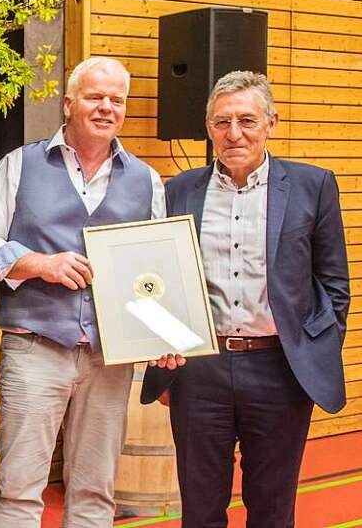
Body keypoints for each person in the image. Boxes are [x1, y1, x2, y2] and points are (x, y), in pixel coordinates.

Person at [141, 70, 349, 527]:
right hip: (200, 371)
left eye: (247, 121)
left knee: (273, 510)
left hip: (281, 369)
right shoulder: (177, 191)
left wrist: (316, 350)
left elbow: (334, 283)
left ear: (271, 122)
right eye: (221, 122)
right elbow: (155, 280)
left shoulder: (313, 186)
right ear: (208, 126)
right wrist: (162, 347)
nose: (233, 134)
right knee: (200, 509)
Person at [0, 56, 166, 527]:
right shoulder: (19, 164)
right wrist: (38, 264)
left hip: (110, 357)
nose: (106, 107)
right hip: (33, 347)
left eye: (116, 100)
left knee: (95, 490)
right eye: (94, 96)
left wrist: (167, 334)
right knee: (19, 487)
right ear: (68, 103)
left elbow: (158, 271)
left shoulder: (147, 181)